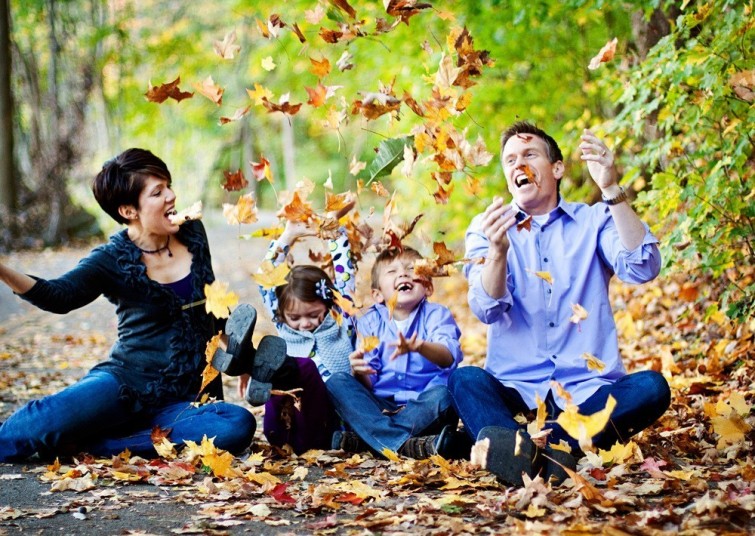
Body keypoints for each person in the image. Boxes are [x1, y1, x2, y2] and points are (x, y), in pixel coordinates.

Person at [0, 148, 269, 461]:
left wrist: (243, 358)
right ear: (129, 210)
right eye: (158, 192)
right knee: (39, 424)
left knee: (237, 425)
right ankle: (92, 429)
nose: (171, 196)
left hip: (186, 398)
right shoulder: (110, 259)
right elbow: (58, 296)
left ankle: (98, 445)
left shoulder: (193, 233)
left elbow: (212, 303)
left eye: (168, 186)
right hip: (123, 385)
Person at [449, 121, 671, 486]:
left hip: (587, 394)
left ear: (556, 168)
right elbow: (486, 308)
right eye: (510, 160)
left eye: (529, 154)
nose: (518, 164)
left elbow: (643, 266)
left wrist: (611, 189)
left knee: (651, 388)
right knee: (464, 380)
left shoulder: (594, 220)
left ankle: (532, 452)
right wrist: (498, 252)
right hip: (516, 394)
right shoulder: (487, 229)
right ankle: (552, 452)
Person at [326, 246, 470, 459]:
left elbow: (448, 357)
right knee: (337, 382)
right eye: (392, 272)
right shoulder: (370, 321)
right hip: (382, 407)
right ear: (377, 294)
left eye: (411, 269)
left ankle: (371, 441)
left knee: (446, 394)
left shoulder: (436, 315)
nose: (403, 273)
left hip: (425, 408)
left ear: (428, 286)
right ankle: (406, 444)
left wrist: (421, 346)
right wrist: (359, 371)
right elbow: (369, 383)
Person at [232, 214, 357, 454]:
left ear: (328, 305)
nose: (304, 324)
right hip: (287, 426)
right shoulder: (284, 328)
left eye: (313, 314)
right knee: (281, 370)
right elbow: (265, 281)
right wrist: (288, 236)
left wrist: (336, 232)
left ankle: (257, 364)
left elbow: (345, 277)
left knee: (303, 368)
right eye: (295, 318)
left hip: (330, 425)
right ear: (283, 315)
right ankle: (253, 366)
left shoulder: (341, 321)